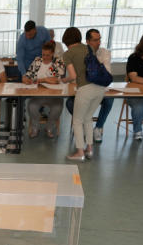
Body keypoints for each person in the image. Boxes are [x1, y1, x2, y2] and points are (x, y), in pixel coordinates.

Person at [60, 27, 105, 162]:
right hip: (100, 88)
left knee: (77, 120)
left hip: (85, 89)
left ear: (66, 41)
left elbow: (73, 75)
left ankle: (80, 152)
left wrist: (64, 80)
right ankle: (89, 149)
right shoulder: (89, 48)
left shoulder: (68, 54)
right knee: (87, 118)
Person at [65, 29, 114, 142]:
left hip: (99, 89)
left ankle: (98, 128)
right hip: (81, 89)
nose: (99, 42)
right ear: (87, 41)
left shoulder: (104, 53)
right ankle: (83, 126)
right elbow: (74, 76)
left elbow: (107, 73)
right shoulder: (79, 52)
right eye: (95, 40)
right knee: (69, 103)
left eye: (99, 39)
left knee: (109, 100)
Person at [22, 41, 66, 138]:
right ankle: (35, 127)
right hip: (38, 94)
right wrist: (25, 78)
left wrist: (42, 79)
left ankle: (49, 127)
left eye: (48, 55)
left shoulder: (58, 62)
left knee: (57, 107)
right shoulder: (37, 61)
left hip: (55, 95)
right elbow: (29, 75)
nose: (45, 57)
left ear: (53, 54)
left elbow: (56, 80)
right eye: (43, 54)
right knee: (32, 106)